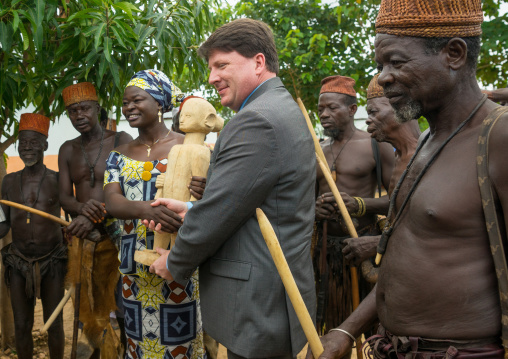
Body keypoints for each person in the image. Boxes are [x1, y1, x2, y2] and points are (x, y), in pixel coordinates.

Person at [311, 0, 506, 358]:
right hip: (393, 346)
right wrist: (346, 329)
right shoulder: (427, 142)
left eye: (396, 62)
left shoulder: (498, 136)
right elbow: (404, 254)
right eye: (381, 65)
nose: (383, 78)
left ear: (454, 54)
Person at [148, 18, 317, 359]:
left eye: (221, 65)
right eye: (210, 68)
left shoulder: (256, 120)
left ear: (258, 62)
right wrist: (192, 209)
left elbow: (221, 211)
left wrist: (176, 261)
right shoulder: (280, 107)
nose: (211, 78)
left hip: (259, 301)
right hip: (273, 294)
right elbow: (253, 201)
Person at [103, 69, 206, 359]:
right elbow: (112, 202)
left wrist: (204, 190)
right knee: (137, 340)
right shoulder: (118, 154)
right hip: (133, 264)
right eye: (125, 103)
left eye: (137, 100)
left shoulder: (190, 147)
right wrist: (148, 209)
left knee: (180, 340)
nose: (129, 107)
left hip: (177, 258)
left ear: (159, 103)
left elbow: (213, 202)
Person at [313, 75, 394, 337]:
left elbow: (399, 200)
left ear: (351, 109)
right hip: (326, 251)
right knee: (332, 324)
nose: (324, 114)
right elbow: (305, 200)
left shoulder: (374, 144)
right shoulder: (317, 150)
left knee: (370, 332)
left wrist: (360, 205)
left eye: (332, 108)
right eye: (320, 109)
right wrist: (315, 210)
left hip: (364, 249)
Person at [58, 82, 133, 357]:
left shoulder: (121, 140)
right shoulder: (67, 149)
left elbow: (128, 188)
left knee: (123, 308)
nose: (79, 115)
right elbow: (65, 197)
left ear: (97, 109)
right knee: (88, 309)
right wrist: (84, 211)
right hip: (86, 240)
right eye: (72, 111)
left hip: (118, 236)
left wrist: (95, 214)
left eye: (84, 108)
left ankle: (126, 350)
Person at [0, 114, 66, 359]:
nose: (27, 148)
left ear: (45, 146)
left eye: (33, 143)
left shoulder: (57, 180)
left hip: (53, 261)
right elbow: (3, 225)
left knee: (55, 324)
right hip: (18, 262)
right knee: (21, 325)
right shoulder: (8, 182)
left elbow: (71, 219)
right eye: (22, 144)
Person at [342, 73, 421, 267]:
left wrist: (378, 243)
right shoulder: (399, 157)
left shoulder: (425, 157)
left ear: (400, 109)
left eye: (374, 112)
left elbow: (434, 232)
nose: (368, 120)